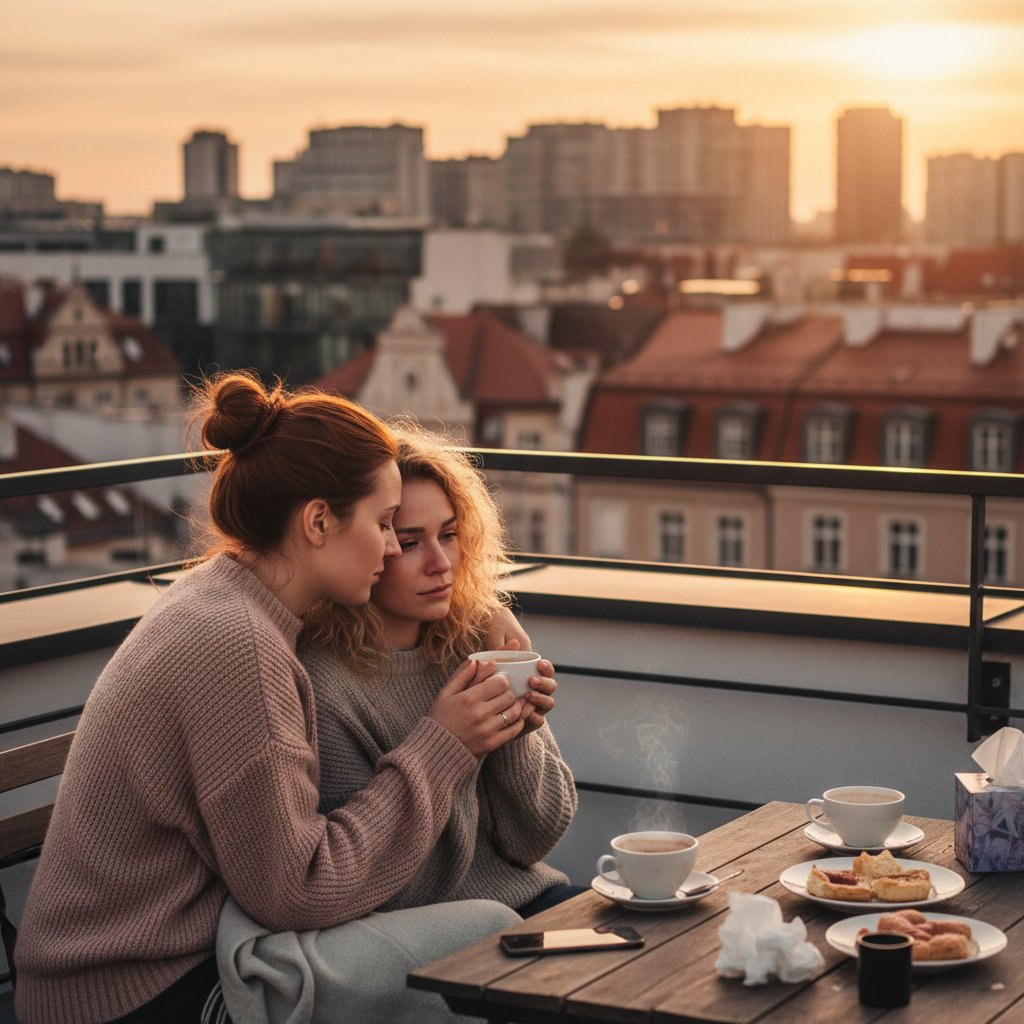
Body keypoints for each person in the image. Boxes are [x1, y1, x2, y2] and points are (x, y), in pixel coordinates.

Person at [14, 374, 527, 1024]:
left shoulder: (226, 600)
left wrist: (482, 611)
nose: (392, 547)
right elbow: (298, 891)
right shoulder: (238, 645)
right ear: (318, 522)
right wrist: (444, 744)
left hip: (179, 954)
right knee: (493, 943)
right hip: (138, 991)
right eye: (385, 524)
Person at [301, 422, 583, 920]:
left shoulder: (472, 644)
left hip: (529, 899)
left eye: (449, 535)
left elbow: (536, 838)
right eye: (410, 543)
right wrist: (451, 741)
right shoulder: (328, 685)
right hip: (434, 932)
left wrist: (516, 732)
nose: (441, 564)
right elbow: (383, 889)